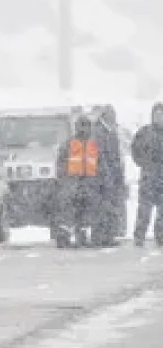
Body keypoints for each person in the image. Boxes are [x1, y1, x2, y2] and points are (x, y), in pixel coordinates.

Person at [55, 113, 101, 247]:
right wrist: (64, 180)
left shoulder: (93, 145)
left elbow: (99, 164)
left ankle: (82, 237)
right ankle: (64, 238)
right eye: (81, 126)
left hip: (87, 184)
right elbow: (61, 163)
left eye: (86, 126)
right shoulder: (69, 144)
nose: (83, 129)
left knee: (85, 213)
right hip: (72, 183)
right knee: (68, 213)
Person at [92, 104, 127, 247]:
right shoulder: (100, 132)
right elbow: (101, 157)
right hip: (104, 178)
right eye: (111, 114)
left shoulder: (109, 131)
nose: (114, 117)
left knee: (109, 207)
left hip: (111, 175)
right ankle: (102, 237)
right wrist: (107, 177)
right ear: (105, 116)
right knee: (104, 208)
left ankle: (107, 236)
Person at [132, 102, 163, 247]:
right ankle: (139, 236)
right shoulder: (144, 132)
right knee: (144, 209)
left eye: (161, 114)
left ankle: (161, 236)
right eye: (157, 114)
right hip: (148, 178)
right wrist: (144, 164)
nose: (159, 117)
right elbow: (135, 150)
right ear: (152, 116)